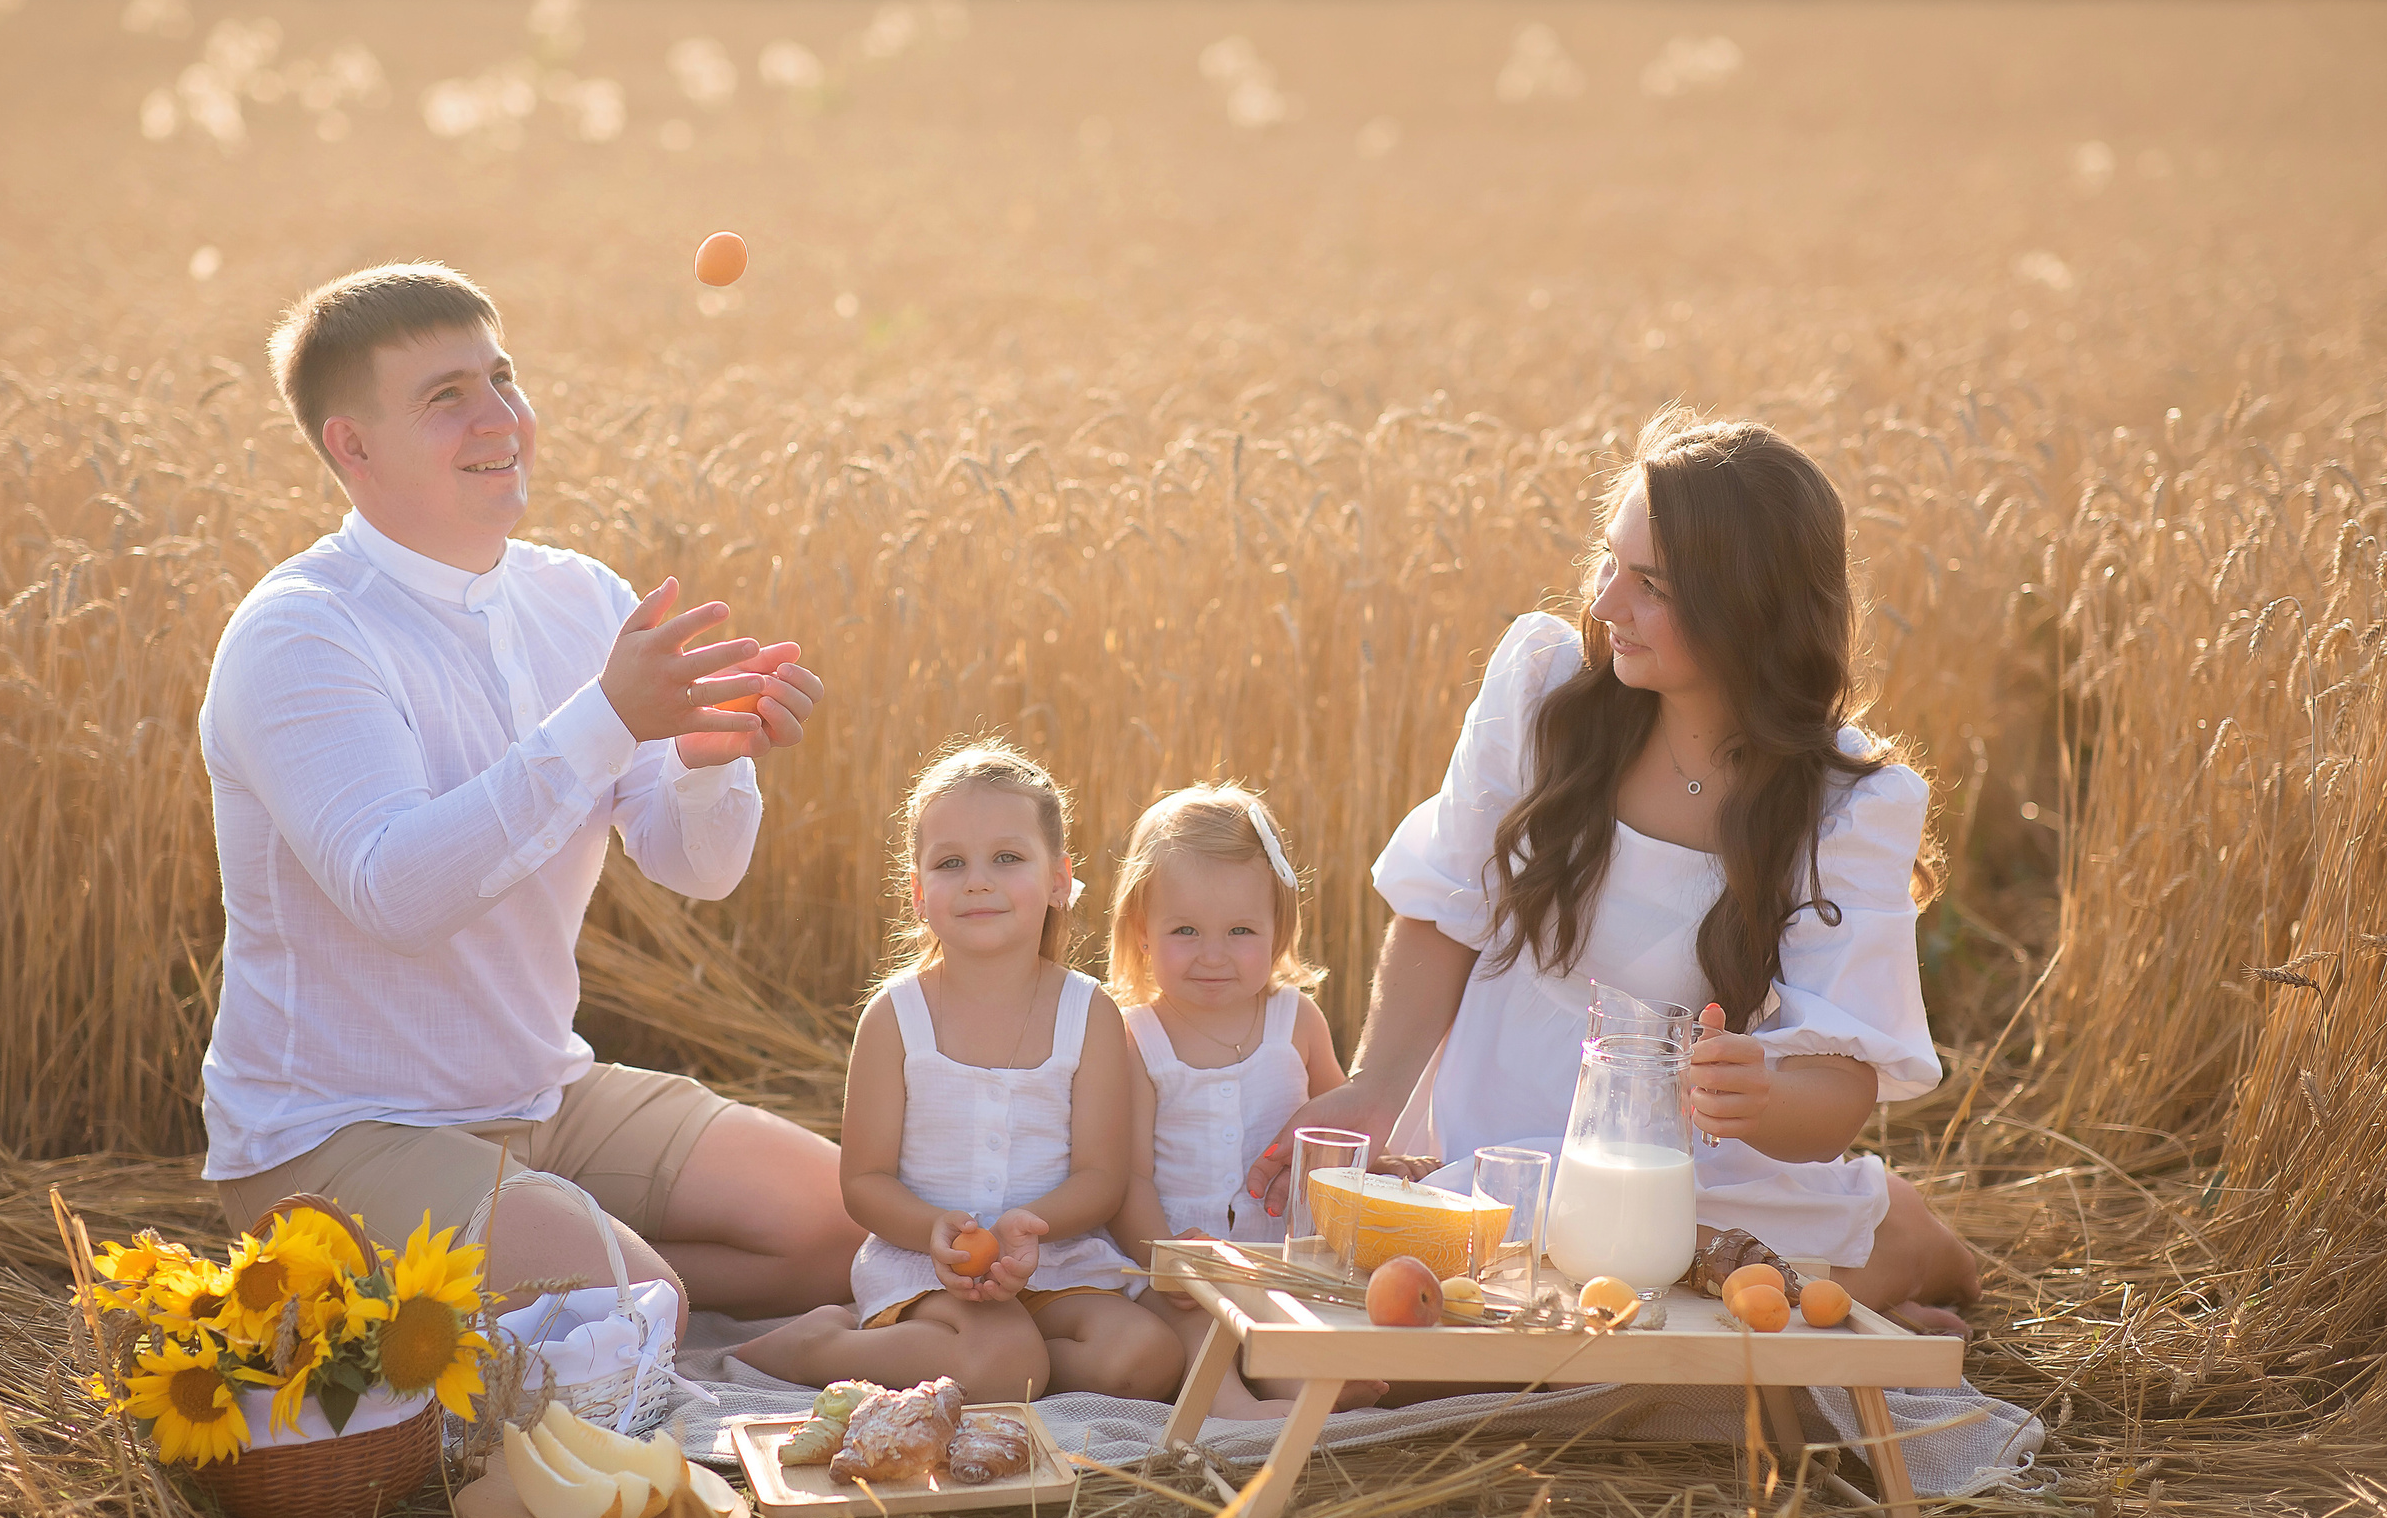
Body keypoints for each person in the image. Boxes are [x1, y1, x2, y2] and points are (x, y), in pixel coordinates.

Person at [198, 262, 863, 1335]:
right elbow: (395, 893)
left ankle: (562, 1261)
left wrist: (701, 756)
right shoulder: (301, 633)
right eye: (445, 396)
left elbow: (700, 868)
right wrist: (605, 717)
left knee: (844, 1230)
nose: (500, 417)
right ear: (350, 448)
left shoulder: (579, 596)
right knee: (627, 1303)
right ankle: (584, 1279)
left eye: (501, 377)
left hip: (548, 1096)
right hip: (336, 1136)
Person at [1247, 408, 1981, 1336]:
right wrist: (1376, 1088)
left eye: (1649, 584)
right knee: (1542, 1307)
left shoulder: (1845, 806)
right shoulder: (1544, 693)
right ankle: (1878, 1258)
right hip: (1498, 1146)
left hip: (1683, 1164)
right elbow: (1444, 910)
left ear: (1747, 609)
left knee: (1688, 1286)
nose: (1603, 604)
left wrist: (1756, 1092)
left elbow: (1836, 1093)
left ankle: (1925, 1251)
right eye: (1610, 561)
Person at [737, 744, 1186, 1403]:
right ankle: (819, 1345)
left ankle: (1007, 1368)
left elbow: (1101, 1176)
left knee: (1148, 1357)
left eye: (1008, 857)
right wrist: (932, 1231)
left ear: (1060, 879)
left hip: (1054, 1262)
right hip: (927, 1270)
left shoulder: (1087, 1010)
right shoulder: (896, 1016)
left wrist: (1030, 1225)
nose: (978, 879)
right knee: (1002, 1357)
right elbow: (863, 1181)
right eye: (951, 863)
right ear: (919, 893)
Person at [1103, 785, 1378, 1419]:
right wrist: (1168, 1260)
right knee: (1198, 1324)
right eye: (1186, 931)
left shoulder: (1296, 1021)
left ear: (1280, 930)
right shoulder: (1139, 1037)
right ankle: (1231, 1408)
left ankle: (1302, 1387)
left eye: (1240, 931)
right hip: (1180, 1261)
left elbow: (1343, 1131)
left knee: (1297, 1317)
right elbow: (1129, 1175)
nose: (1213, 954)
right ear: (1142, 932)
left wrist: (1382, 1163)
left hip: (1283, 1262)